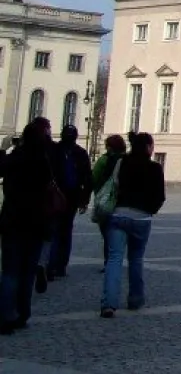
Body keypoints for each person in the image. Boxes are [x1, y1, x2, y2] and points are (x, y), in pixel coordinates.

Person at [100, 131, 166, 318]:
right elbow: (160, 197)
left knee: (114, 259)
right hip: (142, 219)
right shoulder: (155, 168)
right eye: (152, 146)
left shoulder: (123, 163)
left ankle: (108, 304)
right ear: (147, 147)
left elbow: (113, 185)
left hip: (119, 214)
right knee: (136, 259)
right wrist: (150, 210)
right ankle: (135, 300)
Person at [0, 119, 56, 334]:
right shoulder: (43, 160)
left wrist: (3, 150)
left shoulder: (16, 157)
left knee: (10, 271)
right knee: (27, 271)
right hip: (36, 221)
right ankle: (23, 313)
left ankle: (5, 316)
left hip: (13, 220)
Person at [48, 124, 93, 280]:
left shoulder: (53, 150)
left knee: (54, 230)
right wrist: (84, 199)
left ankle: (51, 264)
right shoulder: (80, 153)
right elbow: (88, 178)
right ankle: (60, 265)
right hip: (71, 196)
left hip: (54, 195)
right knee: (65, 231)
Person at [91, 135, 127, 266]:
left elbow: (94, 178)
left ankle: (109, 260)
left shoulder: (103, 160)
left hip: (105, 202)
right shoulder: (127, 160)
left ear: (110, 147)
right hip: (123, 203)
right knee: (119, 234)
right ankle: (116, 258)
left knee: (107, 234)